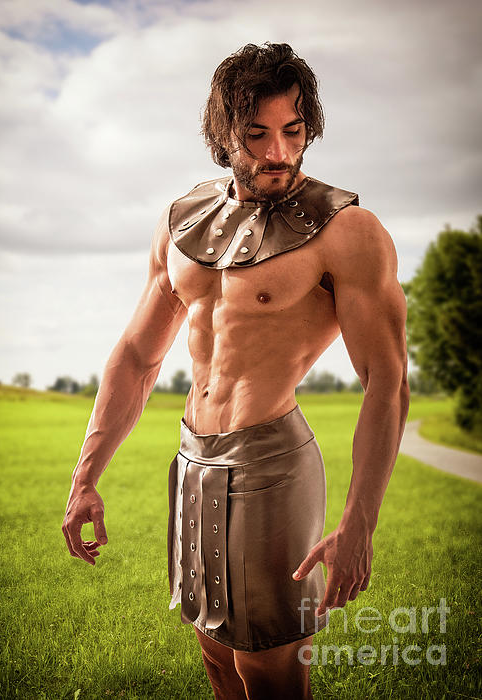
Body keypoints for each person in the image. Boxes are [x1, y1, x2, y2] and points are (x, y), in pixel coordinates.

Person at [62, 42, 410, 699]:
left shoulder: (348, 231)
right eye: (257, 134)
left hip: (270, 464)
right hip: (193, 461)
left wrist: (358, 524)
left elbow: (387, 384)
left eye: (294, 131)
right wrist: (85, 476)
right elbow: (137, 357)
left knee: (268, 670)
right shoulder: (182, 221)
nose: (279, 153)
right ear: (220, 134)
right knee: (216, 659)